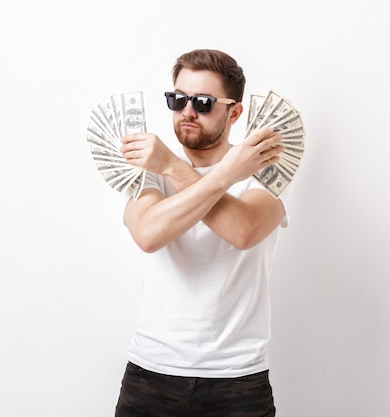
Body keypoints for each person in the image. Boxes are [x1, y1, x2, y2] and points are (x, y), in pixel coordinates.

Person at [114, 49, 291, 417]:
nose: (187, 112)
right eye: (178, 100)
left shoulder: (264, 174)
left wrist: (182, 166)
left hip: (239, 380)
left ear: (235, 112)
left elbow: (244, 231)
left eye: (204, 102)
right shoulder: (150, 173)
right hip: (151, 373)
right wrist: (221, 174)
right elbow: (147, 234)